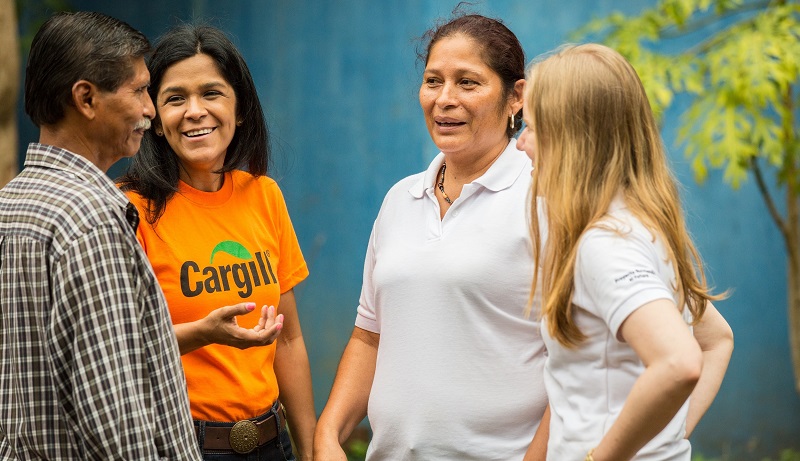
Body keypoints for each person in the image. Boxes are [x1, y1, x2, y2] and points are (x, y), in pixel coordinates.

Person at [314, 13, 549, 461]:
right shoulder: (400, 199)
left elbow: (575, 362)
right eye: (433, 81)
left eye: (468, 83)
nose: (444, 100)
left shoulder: (544, 198)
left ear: (516, 96)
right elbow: (370, 333)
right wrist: (329, 432)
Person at [516, 43, 735, 461]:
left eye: (532, 128)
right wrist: (662, 442)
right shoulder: (643, 228)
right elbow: (717, 340)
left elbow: (679, 361)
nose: (521, 143)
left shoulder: (604, 246)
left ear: (570, 140)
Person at [0, 11, 200, 460]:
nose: (151, 108)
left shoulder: (9, 205)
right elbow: (118, 426)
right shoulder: (90, 220)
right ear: (86, 99)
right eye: (139, 90)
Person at [117, 24, 315, 461]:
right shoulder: (130, 211)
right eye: (175, 98)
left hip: (272, 443)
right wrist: (202, 333)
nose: (194, 111)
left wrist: (312, 447)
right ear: (154, 118)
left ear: (239, 108)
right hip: (180, 444)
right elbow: (117, 348)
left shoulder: (264, 195)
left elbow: (288, 340)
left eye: (211, 93)